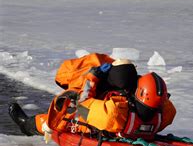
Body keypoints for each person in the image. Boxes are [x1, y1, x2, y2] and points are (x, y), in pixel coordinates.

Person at [9, 52, 176, 141]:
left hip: (97, 120)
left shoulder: (113, 112)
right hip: (117, 115)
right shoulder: (166, 113)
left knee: (64, 116)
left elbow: (84, 106)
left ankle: (27, 125)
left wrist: (92, 78)